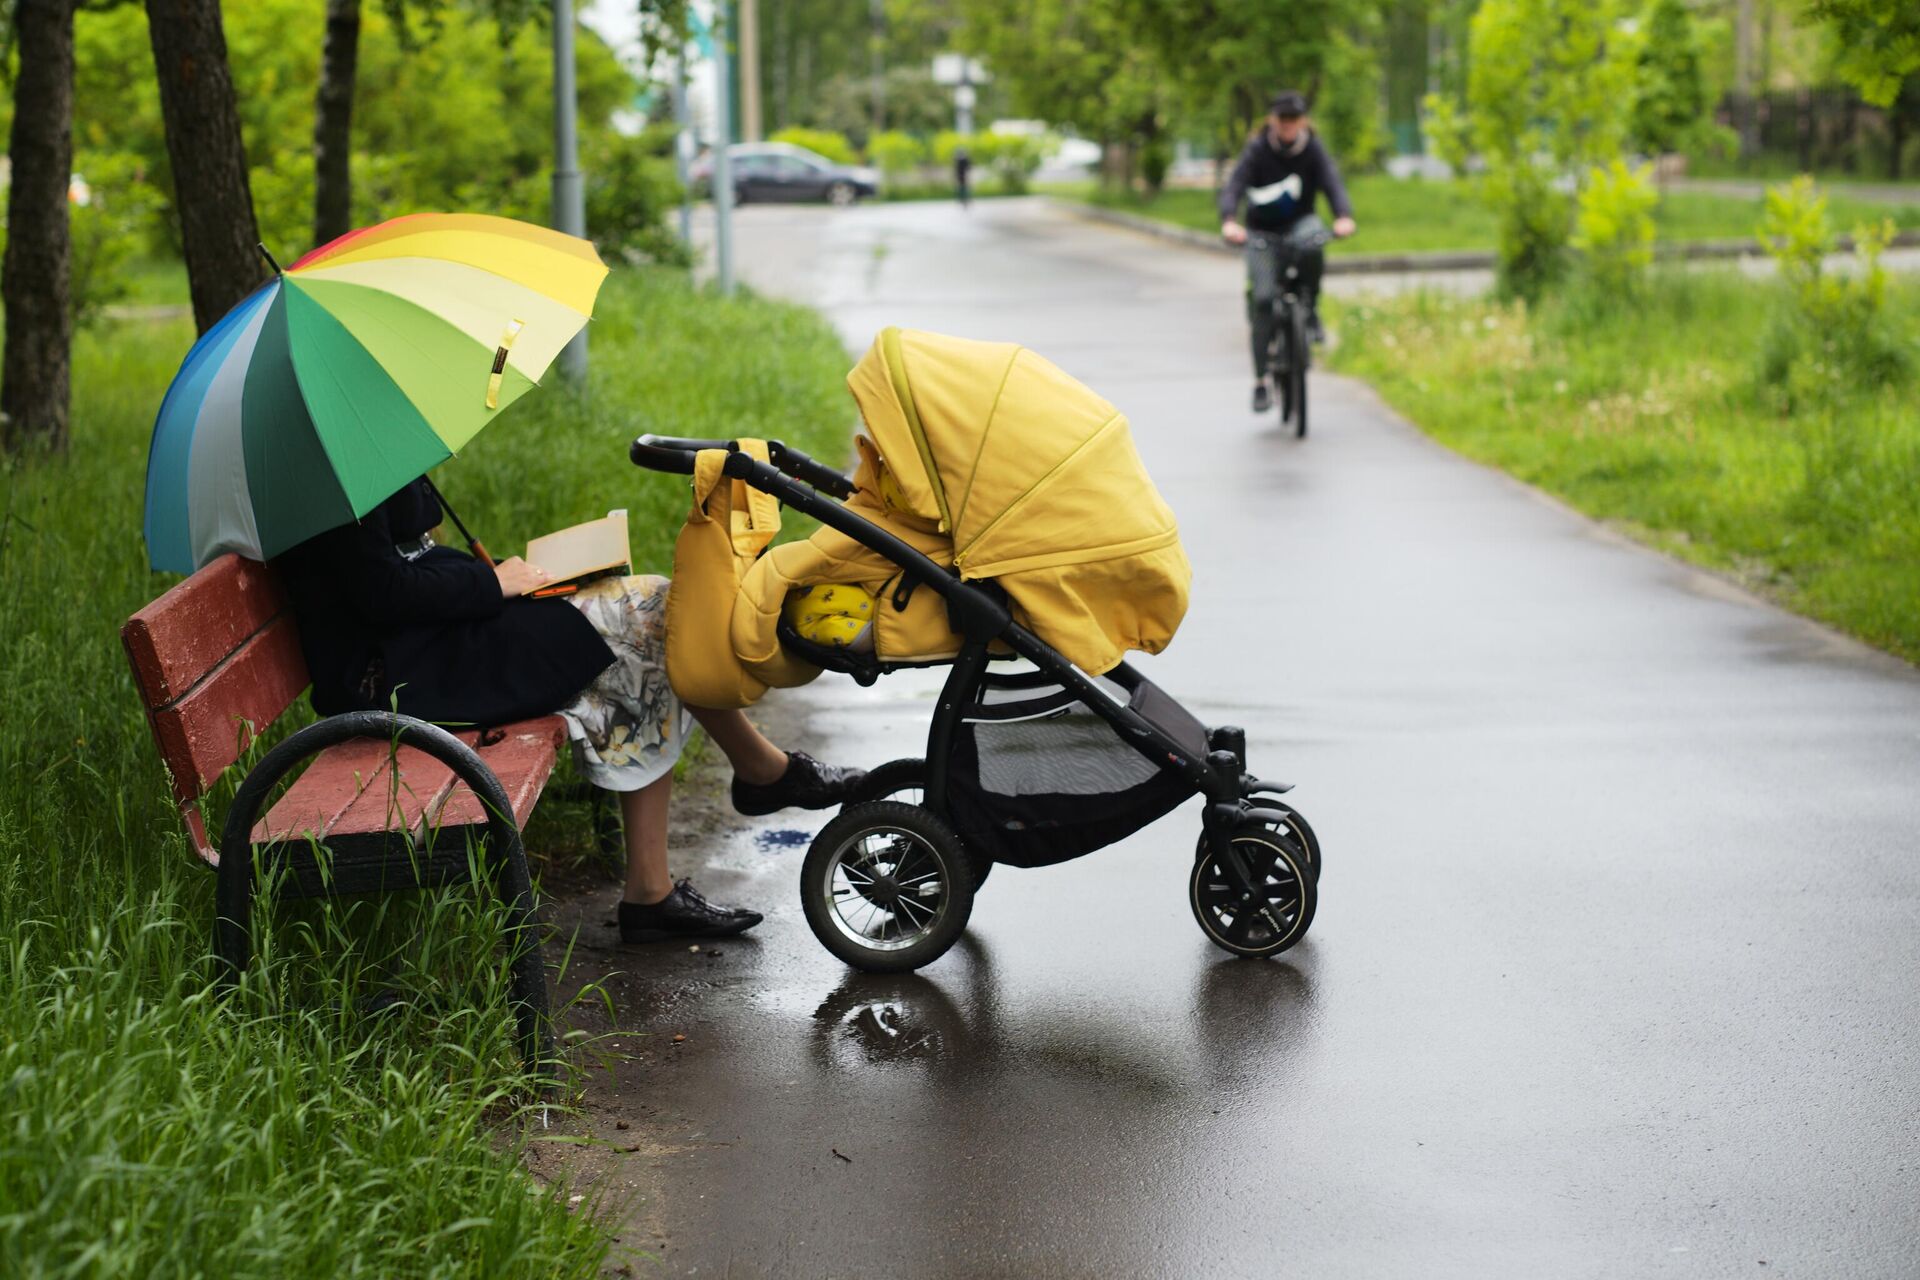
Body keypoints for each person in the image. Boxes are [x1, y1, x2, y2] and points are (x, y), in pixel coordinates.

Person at [272, 477, 867, 943]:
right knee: (649, 620)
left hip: (428, 644)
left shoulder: (357, 446)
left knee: (645, 621)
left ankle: (664, 881)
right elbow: (382, 593)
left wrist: (504, 577)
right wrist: (493, 586)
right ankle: (757, 779)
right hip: (402, 676)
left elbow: (404, 559)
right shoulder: (324, 472)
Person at [1218, 90, 1358, 414]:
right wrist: (1229, 220)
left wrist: (1343, 216)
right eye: (1283, 119)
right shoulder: (1258, 150)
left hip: (1299, 225)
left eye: (1294, 119)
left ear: (1303, 121)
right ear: (1273, 120)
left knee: (1315, 239)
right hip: (1261, 232)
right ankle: (1260, 382)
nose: (1288, 125)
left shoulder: (1311, 148)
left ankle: (1310, 309)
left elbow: (1332, 183)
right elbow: (1235, 186)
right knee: (1264, 300)